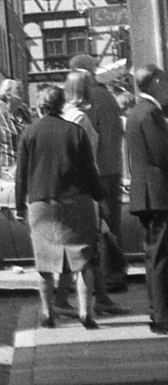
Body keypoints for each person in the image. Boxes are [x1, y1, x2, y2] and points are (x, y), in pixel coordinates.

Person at [16, 85, 109, 328]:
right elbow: (90, 170)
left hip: (42, 203)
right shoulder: (76, 132)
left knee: (45, 262)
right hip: (77, 202)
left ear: (39, 106)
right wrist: (100, 197)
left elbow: (21, 175)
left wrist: (19, 206)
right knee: (83, 259)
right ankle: (85, 312)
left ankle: (48, 313)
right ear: (61, 105)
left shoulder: (29, 133)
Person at [72, 53, 130, 296]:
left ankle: (107, 277)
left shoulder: (90, 98)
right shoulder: (106, 95)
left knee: (101, 227)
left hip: (98, 172)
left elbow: (87, 137)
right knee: (111, 225)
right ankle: (115, 274)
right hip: (112, 168)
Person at [124, 64, 168, 335]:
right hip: (158, 194)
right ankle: (162, 316)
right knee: (161, 257)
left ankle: (157, 313)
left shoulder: (136, 111)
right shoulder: (151, 112)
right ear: (153, 82)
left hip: (146, 194)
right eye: (163, 81)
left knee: (153, 256)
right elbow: (162, 154)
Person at [0, 79, 29, 182]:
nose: (23, 94)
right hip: (9, 173)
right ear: (8, 95)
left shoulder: (26, 116)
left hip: (28, 170)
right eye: (18, 91)